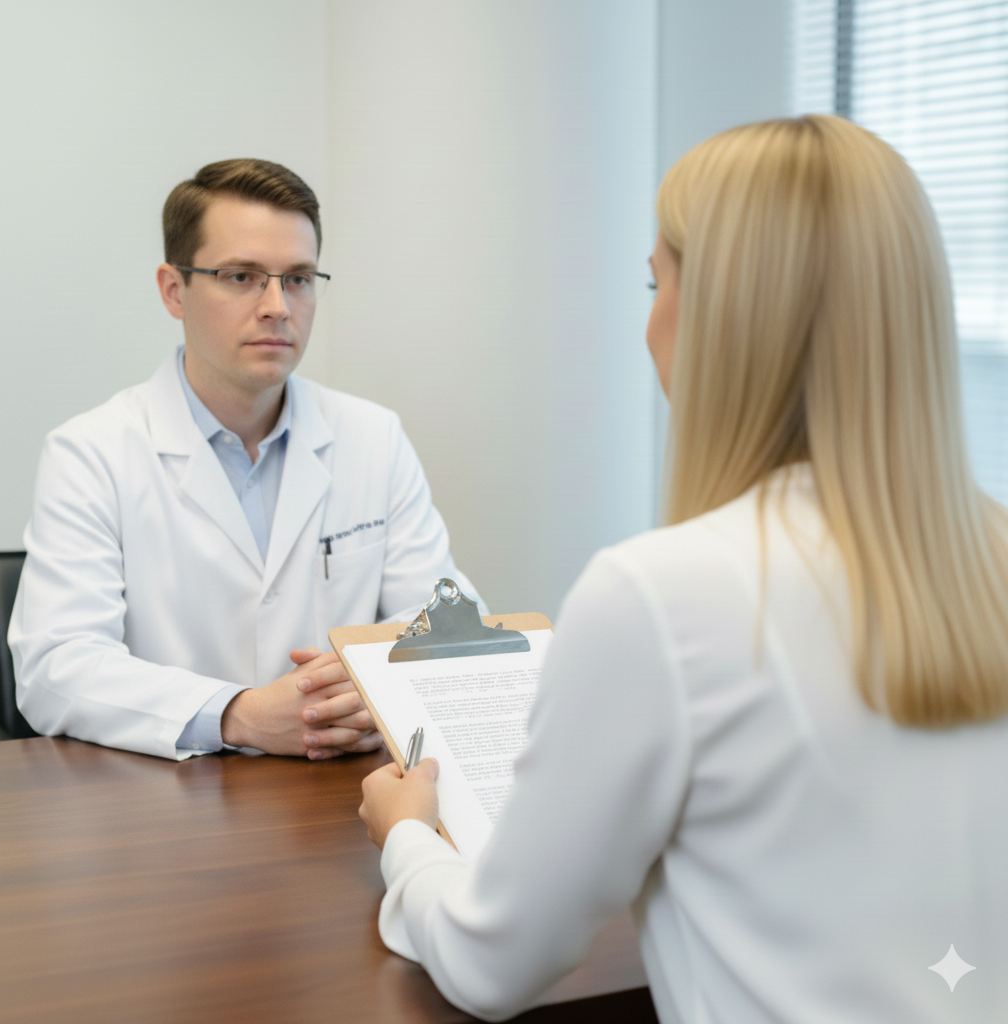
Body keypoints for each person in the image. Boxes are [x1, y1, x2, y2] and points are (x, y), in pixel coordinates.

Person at [358, 116, 1008, 1023]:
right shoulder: (989, 554)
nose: (649, 323)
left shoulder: (661, 597)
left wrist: (407, 838)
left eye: (654, 282)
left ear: (722, 318)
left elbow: (490, 963)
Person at [9, 158, 483, 762]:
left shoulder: (373, 437)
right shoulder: (91, 452)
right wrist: (240, 714)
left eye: (299, 279)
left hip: (341, 792)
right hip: (171, 796)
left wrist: (365, 690)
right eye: (241, 276)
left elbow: (450, 624)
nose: (277, 306)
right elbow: (57, 667)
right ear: (174, 289)